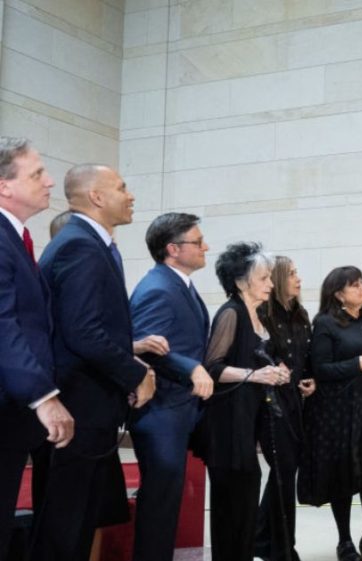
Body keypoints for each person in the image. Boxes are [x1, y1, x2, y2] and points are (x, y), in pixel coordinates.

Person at [34, 163, 158, 561]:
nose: (131, 195)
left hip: (91, 404)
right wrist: (136, 373)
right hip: (79, 405)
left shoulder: (93, 244)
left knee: (82, 519)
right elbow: (82, 331)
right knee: (65, 524)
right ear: (98, 197)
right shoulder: (79, 245)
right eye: (122, 187)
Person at [0, 137, 74, 557]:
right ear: (3, 186)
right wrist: (43, 396)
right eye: (37, 174)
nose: (50, 181)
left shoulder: (17, 239)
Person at [127, 212, 215, 561]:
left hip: (180, 408)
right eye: (198, 241)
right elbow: (146, 346)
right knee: (159, 503)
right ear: (173, 249)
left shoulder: (179, 285)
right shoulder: (158, 289)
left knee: (167, 501)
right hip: (160, 411)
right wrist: (190, 367)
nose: (205, 246)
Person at [300, 266, 362, 561]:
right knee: (344, 475)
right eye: (355, 284)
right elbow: (321, 369)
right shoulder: (326, 323)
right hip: (341, 412)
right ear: (338, 294)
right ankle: (344, 541)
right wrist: (355, 365)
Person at [198, 242, 291, 560]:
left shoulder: (260, 314)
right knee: (232, 504)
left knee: (247, 496)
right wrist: (254, 376)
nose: (269, 284)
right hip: (226, 424)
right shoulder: (230, 313)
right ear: (240, 281)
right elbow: (212, 368)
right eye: (264, 278)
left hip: (248, 421)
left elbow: (261, 361)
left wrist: (277, 371)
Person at [255, 256, 316, 561]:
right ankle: (281, 548)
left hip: (296, 401)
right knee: (283, 471)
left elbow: (306, 357)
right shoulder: (263, 313)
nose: (298, 279)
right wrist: (273, 365)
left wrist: (309, 379)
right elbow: (256, 353)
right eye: (292, 274)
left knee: (283, 472)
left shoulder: (300, 314)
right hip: (270, 403)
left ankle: (261, 538)